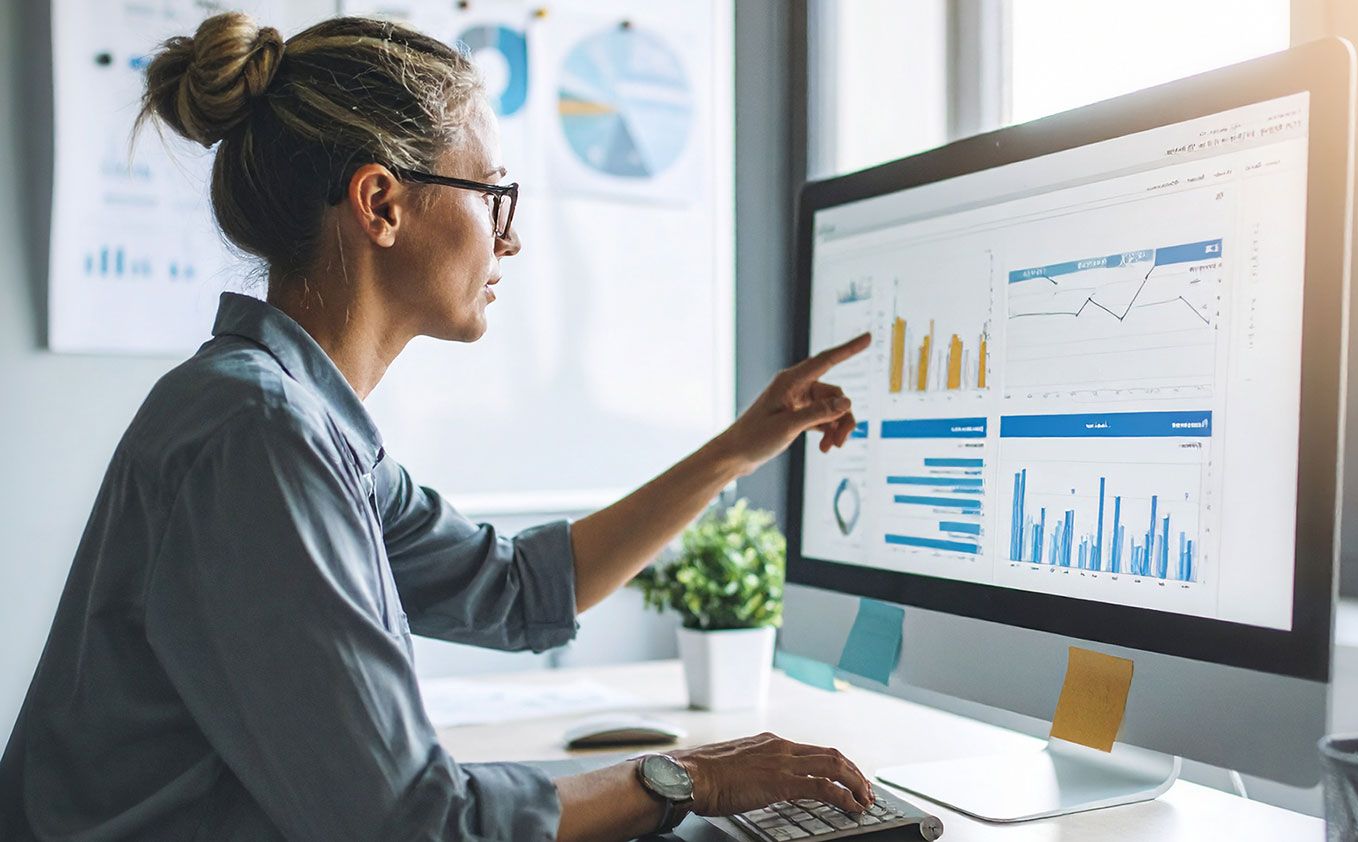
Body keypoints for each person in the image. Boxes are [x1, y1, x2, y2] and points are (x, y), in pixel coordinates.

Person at [0, 12, 875, 842]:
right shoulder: (259, 431)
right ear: (380, 204)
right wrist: (692, 782)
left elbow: (521, 591)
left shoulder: (297, 417)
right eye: (493, 193)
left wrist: (740, 447)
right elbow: (414, 823)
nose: (512, 238)